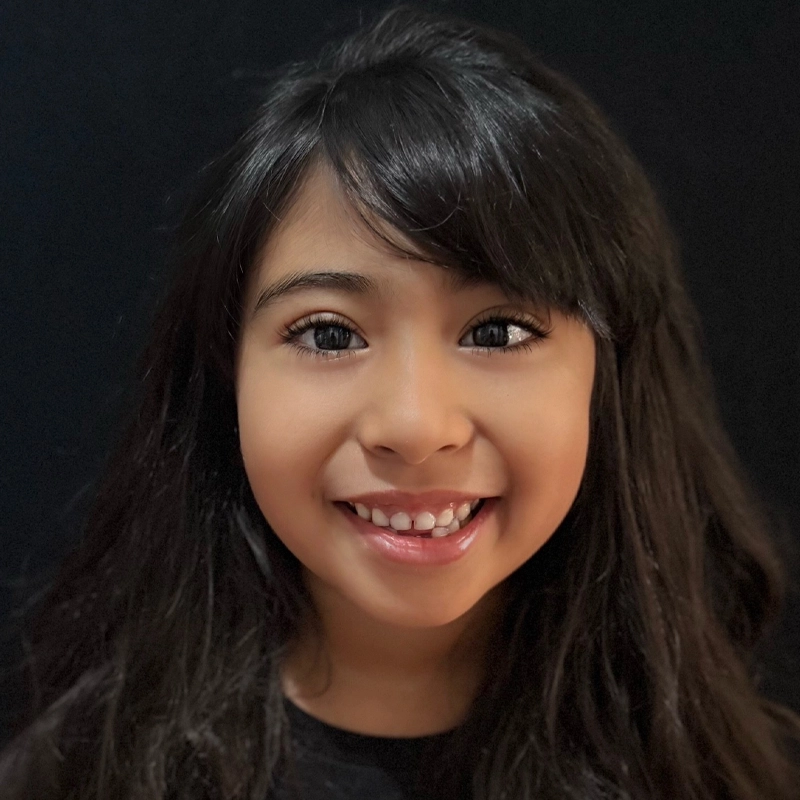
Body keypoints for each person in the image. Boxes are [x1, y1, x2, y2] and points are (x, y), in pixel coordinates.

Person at [2, 5, 798, 799]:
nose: (416, 429)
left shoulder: (740, 775)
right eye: (327, 335)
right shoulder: (77, 775)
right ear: (224, 379)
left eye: (497, 332)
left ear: (607, 379)